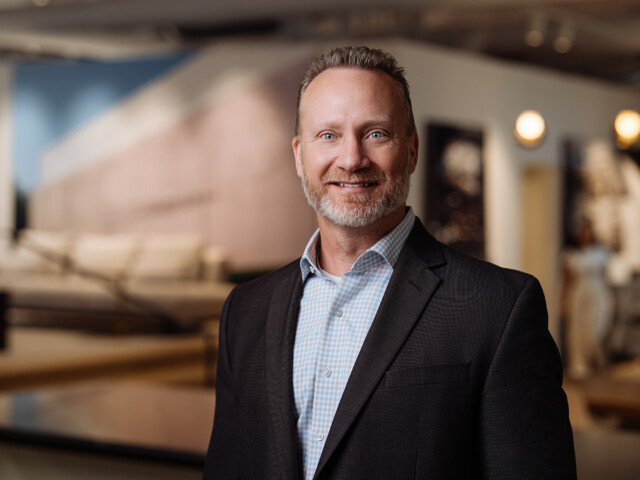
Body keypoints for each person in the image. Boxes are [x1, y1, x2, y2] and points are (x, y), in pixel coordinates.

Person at [203, 46, 576, 479]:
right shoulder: (245, 312)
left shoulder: (499, 308)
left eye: (376, 133)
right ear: (298, 156)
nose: (351, 159)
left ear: (413, 151)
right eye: (328, 135)